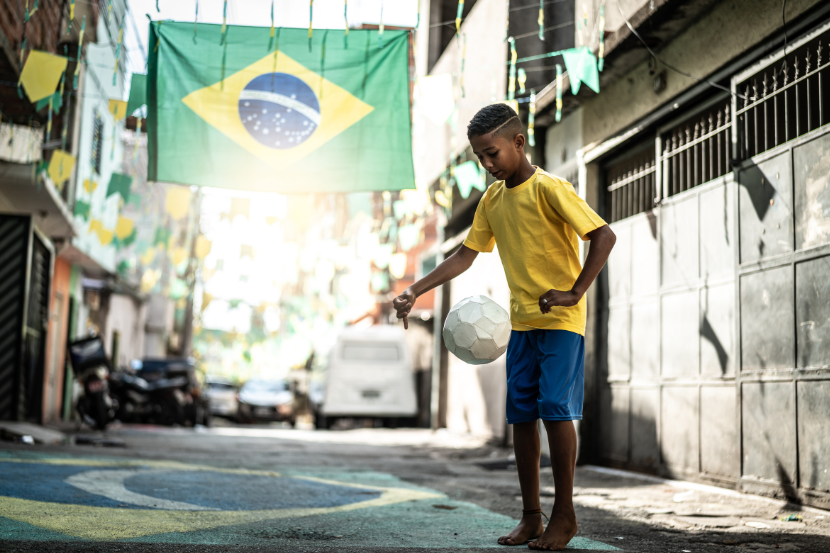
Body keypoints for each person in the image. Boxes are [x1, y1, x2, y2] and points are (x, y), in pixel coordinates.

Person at [393, 103, 616, 550]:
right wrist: (415, 289)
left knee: (554, 407)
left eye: (492, 153)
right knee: (521, 417)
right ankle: (531, 516)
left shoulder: (551, 189)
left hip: (561, 322)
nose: (487, 164)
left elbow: (604, 236)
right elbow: (465, 254)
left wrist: (574, 292)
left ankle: (565, 516)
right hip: (521, 325)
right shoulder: (492, 200)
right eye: (480, 158)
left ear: (518, 142)